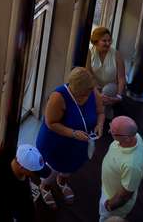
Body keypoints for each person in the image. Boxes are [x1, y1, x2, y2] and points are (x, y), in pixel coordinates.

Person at [35, 66, 104, 209]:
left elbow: (100, 111)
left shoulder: (92, 91)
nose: (87, 95)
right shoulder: (58, 97)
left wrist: (99, 125)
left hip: (79, 144)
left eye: (88, 92)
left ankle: (62, 182)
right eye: (83, 93)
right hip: (56, 144)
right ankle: (45, 187)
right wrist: (73, 133)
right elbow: (51, 123)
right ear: (74, 88)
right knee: (51, 169)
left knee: (70, 167)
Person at [99, 116, 143, 221]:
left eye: (114, 132)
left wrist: (109, 205)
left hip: (112, 199)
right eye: (111, 125)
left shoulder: (132, 165)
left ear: (127, 138)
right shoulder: (135, 136)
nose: (109, 130)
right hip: (108, 189)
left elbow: (125, 196)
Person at [0, 143, 49, 221]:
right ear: (22, 167)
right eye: (34, 172)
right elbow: (1, 215)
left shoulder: (10, 152)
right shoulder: (7, 192)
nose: (37, 177)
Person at [87, 26, 126, 111]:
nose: (108, 43)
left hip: (112, 86)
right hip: (95, 86)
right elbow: (88, 73)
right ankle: (103, 112)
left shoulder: (116, 54)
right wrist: (96, 89)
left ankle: (100, 114)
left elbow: (121, 77)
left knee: (106, 91)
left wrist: (119, 96)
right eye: (104, 41)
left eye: (109, 40)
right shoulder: (90, 53)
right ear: (96, 42)